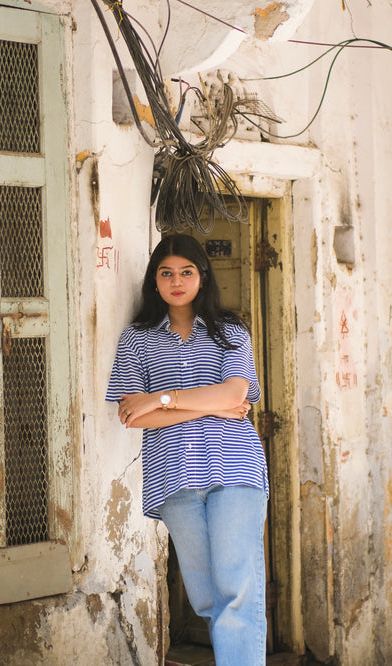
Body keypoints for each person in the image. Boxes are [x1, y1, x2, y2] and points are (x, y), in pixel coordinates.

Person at [106, 233, 269, 666]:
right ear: (154, 281)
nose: (176, 281)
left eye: (186, 272)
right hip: (173, 479)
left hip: (234, 470)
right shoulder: (136, 339)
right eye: (166, 273)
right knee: (207, 599)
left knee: (237, 592)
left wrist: (162, 399)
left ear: (202, 276)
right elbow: (131, 416)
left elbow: (236, 391)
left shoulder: (230, 330)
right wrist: (211, 404)